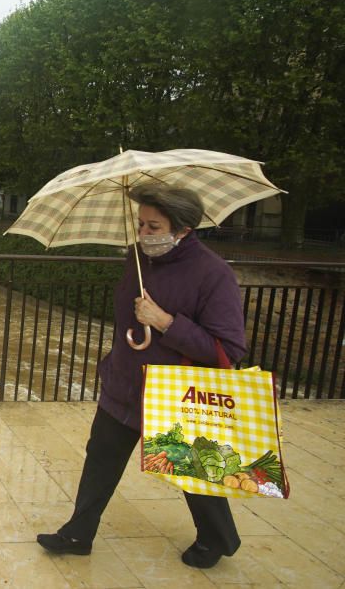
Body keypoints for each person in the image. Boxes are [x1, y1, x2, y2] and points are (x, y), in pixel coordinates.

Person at [36, 183, 247, 569]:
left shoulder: (214, 275)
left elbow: (229, 348)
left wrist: (166, 322)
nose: (143, 234)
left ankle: (216, 538)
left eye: (153, 226)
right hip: (125, 383)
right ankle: (78, 533)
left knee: (191, 470)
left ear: (183, 229)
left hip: (176, 393)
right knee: (101, 458)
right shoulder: (136, 258)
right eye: (140, 224)